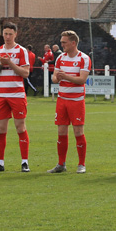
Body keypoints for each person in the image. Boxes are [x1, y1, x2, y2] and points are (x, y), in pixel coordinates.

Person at [0, 22, 32, 173]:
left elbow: (25, 73)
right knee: (0, 129)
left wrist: (10, 63)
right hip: (1, 95)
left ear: (15, 34)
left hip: (17, 95)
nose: (7, 37)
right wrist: (1, 65)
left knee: (20, 127)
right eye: (5, 34)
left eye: (10, 34)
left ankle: (24, 162)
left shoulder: (21, 51)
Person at [47, 30, 91, 174]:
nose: (62, 44)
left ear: (73, 43)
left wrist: (66, 76)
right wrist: (58, 78)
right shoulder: (60, 58)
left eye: (64, 42)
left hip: (76, 101)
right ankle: (61, 164)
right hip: (62, 100)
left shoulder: (83, 58)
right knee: (61, 131)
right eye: (61, 42)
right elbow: (54, 78)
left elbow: (82, 80)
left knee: (78, 132)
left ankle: (81, 164)